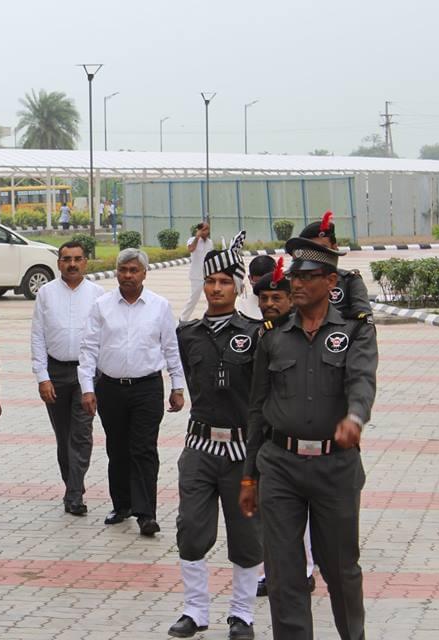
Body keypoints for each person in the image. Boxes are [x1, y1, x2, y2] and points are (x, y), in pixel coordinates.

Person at [240, 236, 378, 640]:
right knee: (283, 573)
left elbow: (362, 380)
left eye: (307, 277)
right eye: (294, 277)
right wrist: (249, 475)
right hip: (280, 466)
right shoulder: (273, 335)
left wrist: (355, 418)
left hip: (335, 466)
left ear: (330, 281)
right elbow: (257, 408)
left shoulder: (354, 330)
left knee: (340, 569)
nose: (296, 284)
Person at [170, 231, 261, 640]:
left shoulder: (256, 333)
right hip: (200, 446)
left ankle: (242, 615)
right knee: (191, 528)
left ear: (238, 287)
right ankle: (195, 610)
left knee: (246, 535)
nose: (217, 288)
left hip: (243, 448)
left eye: (225, 281)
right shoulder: (187, 334)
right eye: (210, 281)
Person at [79, 248, 186, 536]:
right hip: (111, 388)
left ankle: (146, 513)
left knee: (144, 449)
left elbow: (171, 348)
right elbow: (88, 349)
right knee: (117, 448)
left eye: (133, 270)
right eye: (123, 270)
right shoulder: (101, 306)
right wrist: (87, 388)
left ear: (144, 274)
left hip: (147, 388)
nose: (128, 275)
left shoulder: (159, 306)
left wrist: (177, 386)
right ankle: (122, 505)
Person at [249, 257, 318, 598]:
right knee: (267, 510)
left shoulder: (304, 335)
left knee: (301, 512)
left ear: (291, 299)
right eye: (264, 298)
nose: (270, 304)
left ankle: (305, 570)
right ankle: (269, 571)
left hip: (300, 437)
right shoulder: (258, 334)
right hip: (265, 439)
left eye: (277, 298)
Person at [30, 240, 104, 516]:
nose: (72, 264)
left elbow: (103, 337)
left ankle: (74, 494)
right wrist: (42, 377)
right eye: (66, 259)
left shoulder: (98, 294)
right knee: (64, 437)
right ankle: (72, 484)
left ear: (85, 262)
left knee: (82, 434)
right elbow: (37, 336)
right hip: (56, 373)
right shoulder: (46, 293)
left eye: (77, 259)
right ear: (59, 262)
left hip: (87, 373)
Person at [299, 211, 372, 320]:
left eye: (323, 248)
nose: (319, 254)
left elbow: (364, 321)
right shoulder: (295, 282)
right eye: (313, 249)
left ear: (334, 248)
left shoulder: (350, 281)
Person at [181, 221, 214, 321]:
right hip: (196, 276)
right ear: (199, 230)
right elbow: (191, 249)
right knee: (193, 299)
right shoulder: (192, 240)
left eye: (208, 229)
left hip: (208, 275)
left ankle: (212, 318)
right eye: (204, 229)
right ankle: (183, 319)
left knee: (212, 298)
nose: (207, 231)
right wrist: (197, 237)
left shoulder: (210, 242)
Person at [237, 255, 276, 320]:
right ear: (250, 279)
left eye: (266, 284)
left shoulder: (286, 303)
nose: (262, 289)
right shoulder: (240, 305)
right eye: (258, 283)